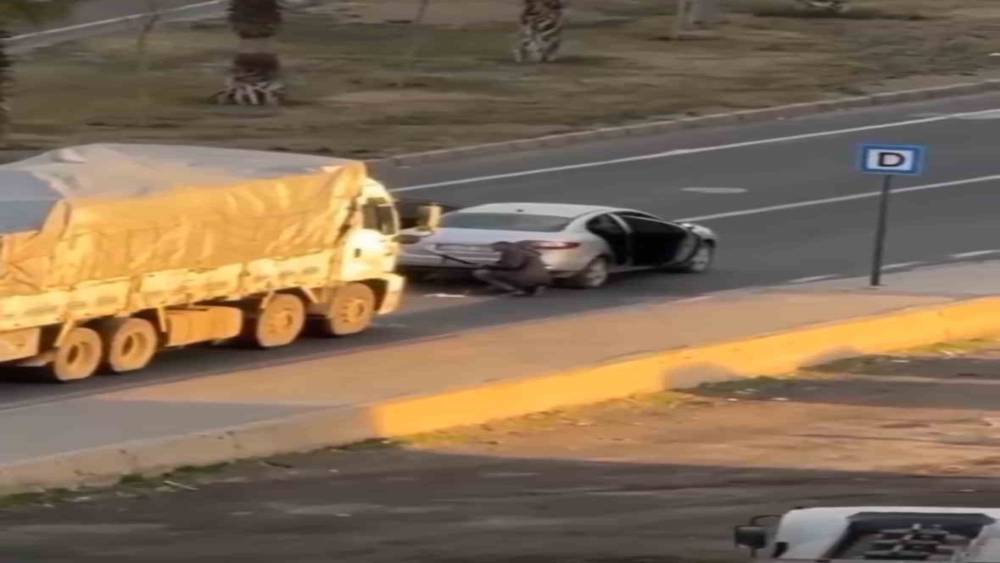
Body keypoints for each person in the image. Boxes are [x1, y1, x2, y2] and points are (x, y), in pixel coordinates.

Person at [473, 241, 551, 296]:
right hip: (543, 277)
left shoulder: (511, 251)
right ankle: (535, 287)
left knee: (481, 273)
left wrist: (489, 266)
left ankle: (514, 290)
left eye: (494, 247)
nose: (493, 250)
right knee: (493, 272)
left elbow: (512, 266)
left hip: (525, 276)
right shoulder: (528, 252)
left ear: (502, 245)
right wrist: (493, 265)